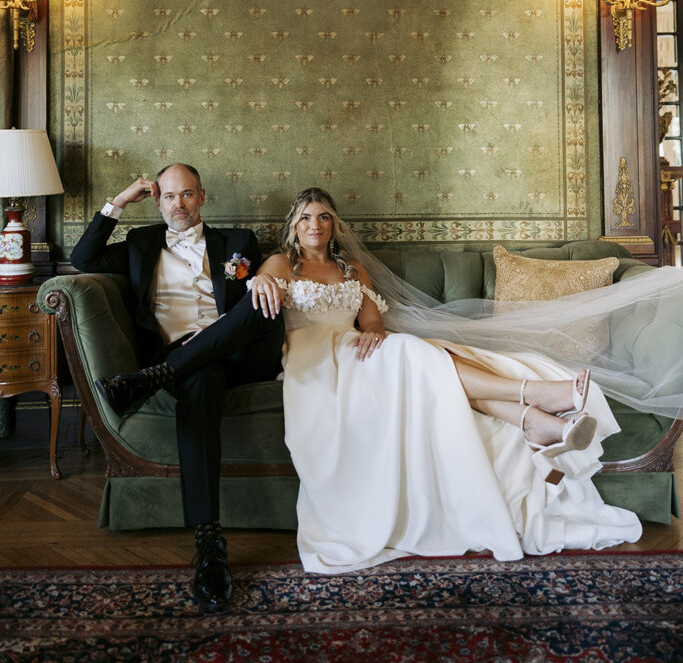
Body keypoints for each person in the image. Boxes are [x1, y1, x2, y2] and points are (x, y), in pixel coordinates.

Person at [248, 186, 670, 574]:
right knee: (419, 353)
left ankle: (540, 421)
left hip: (360, 350)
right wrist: (265, 279)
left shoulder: (354, 269)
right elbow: (264, 284)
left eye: (323, 217)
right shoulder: (284, 263)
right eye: (305, 218)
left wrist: (374, 334)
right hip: (314, 360)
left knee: (420, 355)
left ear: (334, 225)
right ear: (293, 226)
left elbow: (372, 323)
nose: (314, 225)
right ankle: (537, 399)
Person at [70, 163, 285, 611]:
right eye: (169, 196)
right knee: (200, 379)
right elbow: (82, 260)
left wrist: (264, 274)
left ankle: (152, 381)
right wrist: (121, 200)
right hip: (186, 361)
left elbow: (267, 291)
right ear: (158, 200)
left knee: (260, 299)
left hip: (238, 355)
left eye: (187, 194)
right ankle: (209, 546)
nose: (179, 204)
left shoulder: (238, 242)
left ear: (202, 197)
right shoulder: (140, 242)